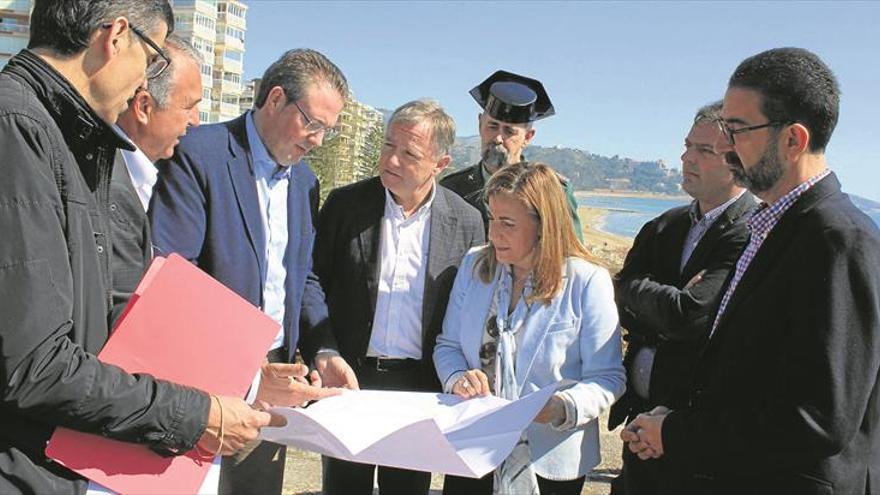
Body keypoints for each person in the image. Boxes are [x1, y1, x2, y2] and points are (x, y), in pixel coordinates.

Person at [0, 1, 271, 493]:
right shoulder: (16, 128)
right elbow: (35, 367)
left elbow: (107, 320)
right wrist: (197, 414)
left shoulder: (71, 139)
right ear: (116, 36)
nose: (143, 83)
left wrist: (238, 380)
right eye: (150, 59)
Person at [623, 47, 880, 494]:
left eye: (736, 130)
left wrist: (679, 434)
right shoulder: (776, 227)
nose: (724, 145)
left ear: (792, 140)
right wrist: (676, 422)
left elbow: (818, 420)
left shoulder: (839, 242)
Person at [149, 48, 356, 495]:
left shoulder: (305, 183)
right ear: (276, 99)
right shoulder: (198, 154)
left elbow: (302, 277)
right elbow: (173, 277)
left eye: (329, 131)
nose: (318, 140)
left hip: (276, 376)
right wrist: (242, 368)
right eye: (312, 123)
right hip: (202, 377)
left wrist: (324, 350)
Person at [312, 99, 484, 494]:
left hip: (419, 388)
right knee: (343, 487)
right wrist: (323, 350)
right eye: (388, 145)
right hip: (349, 380)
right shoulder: (345, 205)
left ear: (440, 164)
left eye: (409, 153)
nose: (391, 159)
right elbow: (315, 283)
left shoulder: (467, 223)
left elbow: (470, 309)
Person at [435, 162, 625, 495]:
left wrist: (561, 407)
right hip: (474, 450)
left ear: (544, 225)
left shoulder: (587, 282)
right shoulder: (475, 265)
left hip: (550, 463)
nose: (493, 234)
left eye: (507, 223)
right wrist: (457, 379)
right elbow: (447, 346)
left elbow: (607, 378)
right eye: (492, 219)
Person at [607, 101, 755, 495]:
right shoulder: (664, 226)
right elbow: (620, 299)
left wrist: (642, 292)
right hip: (639, 418)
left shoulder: (750, 233)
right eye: (688, 146)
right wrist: (650, 297)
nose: (686, 158)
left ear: (739, 160)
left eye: (704, 151)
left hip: (691, 430)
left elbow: (689, 317)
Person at [109, 33, 202, 324]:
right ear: (144, 107)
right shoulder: (100, 184)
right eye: (188, 106)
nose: (196, 120)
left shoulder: (149, 178)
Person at [440, 70, 583, 241]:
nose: (498, 138)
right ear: (479, 124)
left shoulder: (553, 191)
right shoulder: (451, 189)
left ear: (527, 137)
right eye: (492, 127)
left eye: (509, 131)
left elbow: (571, 257)